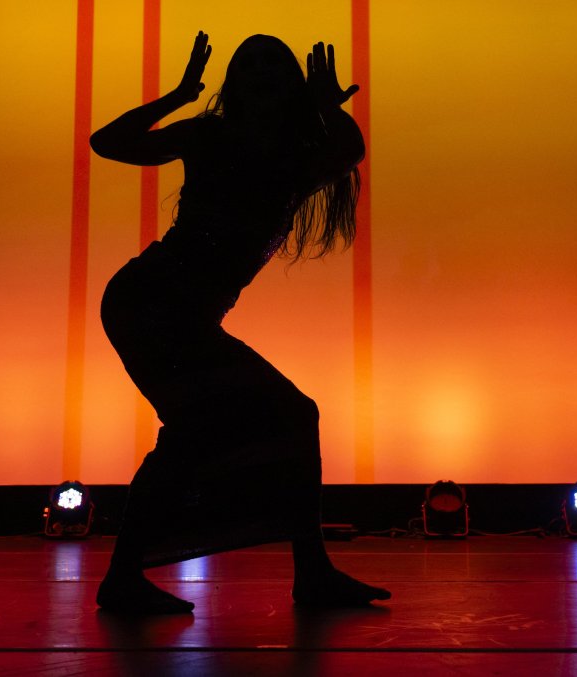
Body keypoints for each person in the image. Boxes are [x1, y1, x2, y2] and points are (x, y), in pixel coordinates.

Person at [90, 31, 390, 614]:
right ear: (232, 85)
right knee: (256, 419)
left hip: (179, 317)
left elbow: (348, 151)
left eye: (271, 64)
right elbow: (110, 142)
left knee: (204, 431)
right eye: (246, 64)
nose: (258, 72)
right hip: (148, 304)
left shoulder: (296, 160)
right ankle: (309, 572)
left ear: (289, 86)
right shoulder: (207, 134)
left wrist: (329, 108)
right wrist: (178, 94)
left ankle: (134, 575)